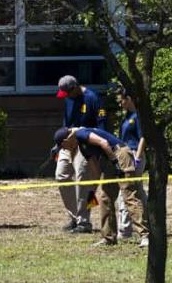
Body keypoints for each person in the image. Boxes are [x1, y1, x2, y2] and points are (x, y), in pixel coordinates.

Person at [53, 125, 146, 247]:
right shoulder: (83, 147)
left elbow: (104, 143)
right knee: (104, 197)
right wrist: (93, 189)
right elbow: (96, 170)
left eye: (62, 147)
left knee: (129, 195)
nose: (64, 150)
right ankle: (108, 238)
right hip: (110, 160)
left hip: (120, 154)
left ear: (66, 141)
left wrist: (115, 164)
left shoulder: (81, 133)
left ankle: (146, 236)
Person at [55, 75, 107, 234]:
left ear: (75, 88)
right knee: (61, 176)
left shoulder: (93, 98)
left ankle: (84, 222)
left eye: (67, 93)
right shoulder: (68, 99)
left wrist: (96, 148)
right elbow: (66, 123)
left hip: (86, 143)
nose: (66, 97)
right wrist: (58, 144)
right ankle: (75, 216)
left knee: (84, 182)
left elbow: (101, 127)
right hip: (68, 142)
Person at [115, 87, 149, 245]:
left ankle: (126, 229)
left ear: (129, 99)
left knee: (128, 191)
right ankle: (133, 226)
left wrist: (137, 156)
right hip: (125, 155)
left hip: (134, 155)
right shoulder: (127, 117)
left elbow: (143, 137)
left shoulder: (138, 116)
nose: (120, 103)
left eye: (121, 99)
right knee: (137, 192)